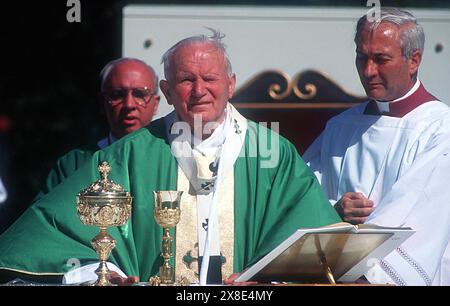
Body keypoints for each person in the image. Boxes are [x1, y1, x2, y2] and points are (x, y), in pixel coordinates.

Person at [0, 30, 340, 285]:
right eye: (186, 80)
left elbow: (311, 236)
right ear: (165, 90)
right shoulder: (131, 153)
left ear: (231, 84)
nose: (199, 90)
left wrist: (266, 279)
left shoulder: (271, 152)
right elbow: (52, 228)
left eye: (210, 78)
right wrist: (103, 271)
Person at [303, 7, 450, 286]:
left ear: (414, 60)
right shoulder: (340, 126)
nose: (368, 71)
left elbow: (416, 219)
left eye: (381, 59)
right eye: (362, 58)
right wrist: (334, 211)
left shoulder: (440, 129)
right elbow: (301, 197)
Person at [36, 57, 160, 198]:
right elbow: (44, 217)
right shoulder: (74, 165)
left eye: (139, 94)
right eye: (117, 94)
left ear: (155, 104)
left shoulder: (173, 161)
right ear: (102, 103)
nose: (129, 104)